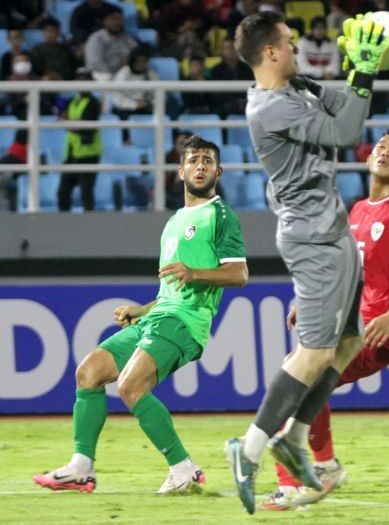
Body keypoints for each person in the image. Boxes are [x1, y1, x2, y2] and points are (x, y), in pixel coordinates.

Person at [225, 11, 389, 514]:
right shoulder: (268, 109)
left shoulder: (293, 84)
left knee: (348, 342)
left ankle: (294, 436)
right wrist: (363, 74)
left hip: (330, 232)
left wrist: (358, 71)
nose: (298, 49)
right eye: (291, 42)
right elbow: (346, 130)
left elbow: (344, 106)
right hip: (314, 237)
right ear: (271, 52)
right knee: (315, 352)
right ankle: (249, 448)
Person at [33, 135, 248, 494]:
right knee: (89, 372)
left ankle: (184, 468)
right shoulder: (175, 221)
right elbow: (171, 288)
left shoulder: (220, 214)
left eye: (207, 161)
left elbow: (239, 274)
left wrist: (194, 273)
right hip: (160, 315)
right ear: (180, 171)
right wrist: (142, 309)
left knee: (131, 386)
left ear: (218, 171)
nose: (200, 166)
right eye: (193, 160)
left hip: (185, 323)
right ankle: (81, 467)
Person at [261, 128, 389, 511]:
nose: (386, 152)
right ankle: (324, 466)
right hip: (346, 321)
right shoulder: (359, 210)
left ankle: (294, 483)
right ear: (367, 158)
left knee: (298, 376)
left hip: (377, 330)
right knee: (304, 379)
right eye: (381, 147)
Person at [58, 67, 102, 212]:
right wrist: (69, 123)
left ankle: (89, 224)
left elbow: (81, 126)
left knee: (86, 192)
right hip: (71, 153)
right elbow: (63, 118)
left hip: (88, 153)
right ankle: (62, 222)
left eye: (85, 80)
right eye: (79, 80)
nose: (82, 83)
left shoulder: (93, 103)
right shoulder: (73, 101)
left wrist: (67, 123)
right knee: (63, 192)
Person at [296, 16, 340, 81]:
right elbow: (301, 67)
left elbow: (335, 65)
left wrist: (329, 72)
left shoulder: (332, 44)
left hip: (328, 77)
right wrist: (321, 73)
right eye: (316, 28)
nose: (319, 31)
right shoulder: (302, 43)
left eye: (322, 28)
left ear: (326, 29)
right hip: (308, 78)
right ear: (311, 29)